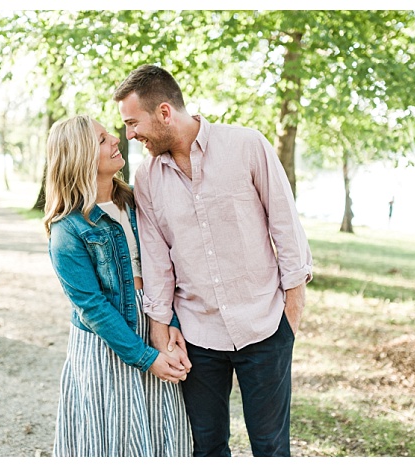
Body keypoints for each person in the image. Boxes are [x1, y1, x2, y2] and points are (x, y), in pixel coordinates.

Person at [114, 65, 314, 457]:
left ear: (165, 112)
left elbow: (286, 226)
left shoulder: (246, 145)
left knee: (271, 448)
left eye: (133, 123)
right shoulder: (147, 176)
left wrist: (292, 310)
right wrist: (159, 328)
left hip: (265, 325)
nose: (129, 135)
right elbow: (157, 259)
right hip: (197, 335)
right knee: (206, 449)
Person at [43, 115, 193, 457]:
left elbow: (168, 266)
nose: (115, 139)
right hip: (105, 344)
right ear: (79, 157)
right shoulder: (67, 230)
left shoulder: (137, 201)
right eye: (100, 139)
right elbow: (93, 307)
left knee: (160, 429)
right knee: (115, 436)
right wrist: (144, 357)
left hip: (153, 322)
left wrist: (170, 325)